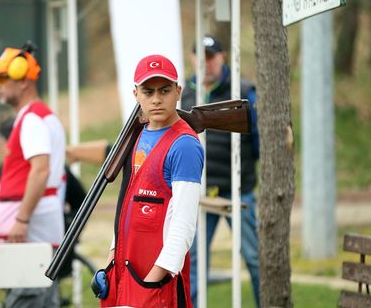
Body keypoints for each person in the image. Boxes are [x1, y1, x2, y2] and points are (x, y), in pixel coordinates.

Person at [93, 54, 204, 308]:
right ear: (135, 94)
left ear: (178, 91)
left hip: (153, 284)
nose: (156, 99)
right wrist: (112, 260)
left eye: (164, 90)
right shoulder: (138, 135)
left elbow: (183, 228)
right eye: (148, 91)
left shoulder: (184, 145)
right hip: (125, 273)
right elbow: (127, 204)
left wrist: (150, 285)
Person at [0, 42, 66, 308]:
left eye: (2, 77)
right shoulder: (38, 117)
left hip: (28, 231)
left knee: (27, 298)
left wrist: (22, 218)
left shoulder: (31, 120)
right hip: (32, 230)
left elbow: (40, 171)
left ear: (22, 79)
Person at [182, 35, 260, 307]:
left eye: (211, 57)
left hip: (239, 191)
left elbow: (258, 140)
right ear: (192, 58)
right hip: (200, 194)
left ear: (223, 57)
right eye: (200, 57)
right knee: (193, 264)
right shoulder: (185, 94)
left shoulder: (243, 90)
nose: (205, 64)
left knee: (254, 258)